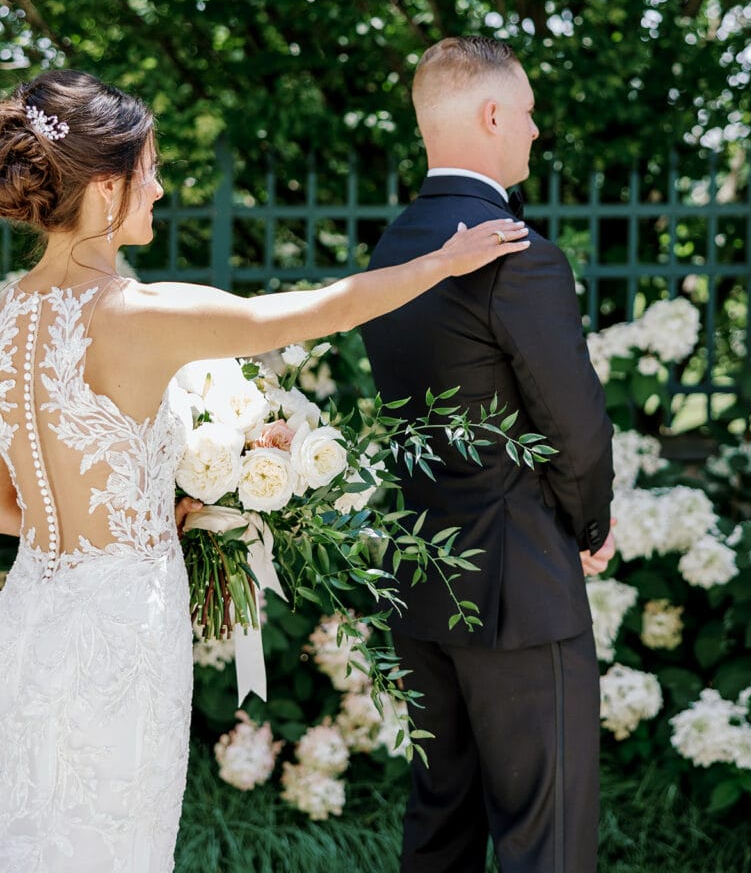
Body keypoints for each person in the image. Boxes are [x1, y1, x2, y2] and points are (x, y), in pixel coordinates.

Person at [0, 69, 532, 872]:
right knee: (114, 839)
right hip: (121, 627)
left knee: (31, 824)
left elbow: (11, 501)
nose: (162, 187)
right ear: (105, 191)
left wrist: (128, 509)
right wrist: (442, 264)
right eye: (150, 170)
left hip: (32, 614)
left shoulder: (8, 312)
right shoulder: (137, 312)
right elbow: (305, 311)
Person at [361, 36, 616, 873]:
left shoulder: (393, 249)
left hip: (424, 577)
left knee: (441, 826)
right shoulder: (517, 254)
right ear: (494, 114)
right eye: (531, 113)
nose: (537, 133)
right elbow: (571, 422)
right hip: (521, 586)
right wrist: (590, 523)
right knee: (548, 836)